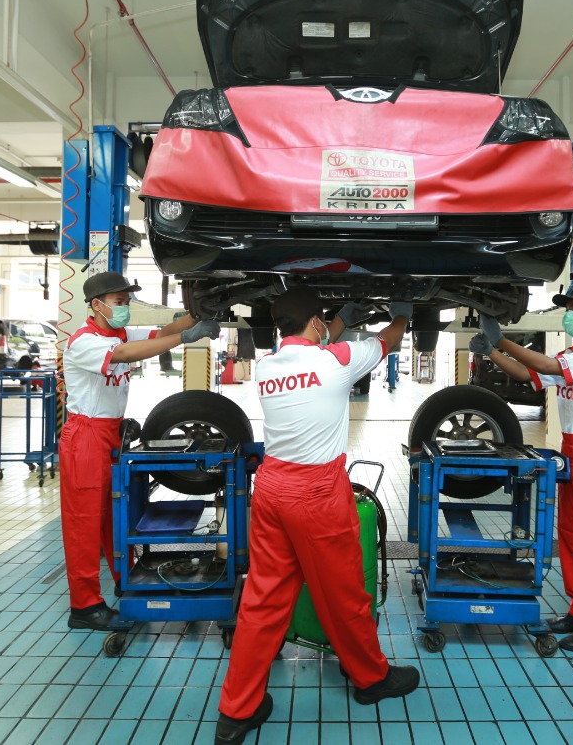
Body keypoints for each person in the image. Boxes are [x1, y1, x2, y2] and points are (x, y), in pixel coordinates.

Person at [215, 289, 419, 744]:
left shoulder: (269, 366)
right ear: (313, 323)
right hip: (317, 495)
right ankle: (371, 679)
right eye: (322, 321)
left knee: (263, 601)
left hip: (270, 491)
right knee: (345, 594)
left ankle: (236, 711)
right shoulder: (336, 361)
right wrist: (403, 316)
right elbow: (384, 342)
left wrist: (338, 318)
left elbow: (320, 344)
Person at [470, 282, 573, 654]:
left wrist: (503, 340)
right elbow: (529, 376)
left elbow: (544, 365)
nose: (569, 314)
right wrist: (492, 351)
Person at [60, 271, 220, 630]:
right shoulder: (84, 341)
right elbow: (127, 353)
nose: (125, 308)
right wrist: (187, 337)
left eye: (127, 301)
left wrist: (197, 314)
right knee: (83, 524)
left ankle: (124, 579)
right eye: (119, 302)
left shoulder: (117, 331)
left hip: (111, 433)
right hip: (85, 437)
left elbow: (159, 334)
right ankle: (84, 606)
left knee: (113, 516)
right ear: (96, 305)